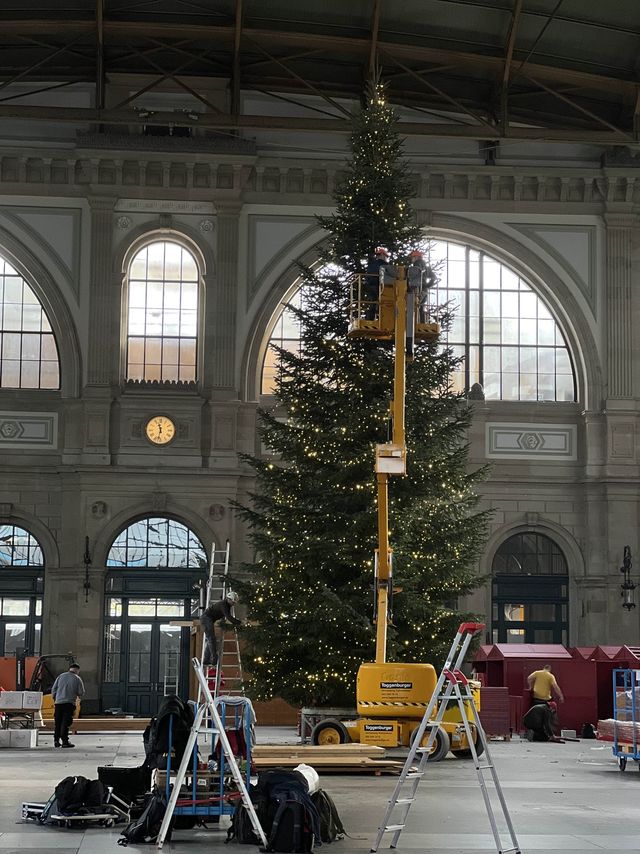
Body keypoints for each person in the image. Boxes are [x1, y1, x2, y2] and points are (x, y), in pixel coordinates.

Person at [200, 591, 242, 667]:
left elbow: (224, 615)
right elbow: (228, 617)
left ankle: (206, 661)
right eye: (233, 602)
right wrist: (239, 623)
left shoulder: (227, 605)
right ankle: (214, 660)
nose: (233, 604)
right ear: (228, 599)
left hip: (208, 619)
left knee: (211, 639)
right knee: (211, 639)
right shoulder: (223, 605)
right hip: (206, 618)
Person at [51, 661, 84, 748]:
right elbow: (81, 692)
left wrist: (56, 699)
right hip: (69, 704)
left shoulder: (60, 676)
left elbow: (53, 690)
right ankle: (65, 741)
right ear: (77, 670)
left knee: (58, 722)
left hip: (58, 703)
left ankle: (56, 741)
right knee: (65, 723)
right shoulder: (77, 678)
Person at [364, 247, 389, 318]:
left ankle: (370, 318)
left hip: (371, 286)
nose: (386, 258)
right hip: (378, 286)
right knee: (383, 303)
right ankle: (381, 317)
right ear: (382, 255)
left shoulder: (372, 265)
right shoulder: (384, 265)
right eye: (385, 256)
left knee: (373, 303)